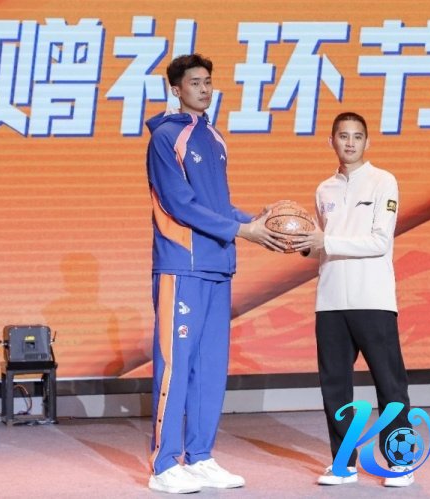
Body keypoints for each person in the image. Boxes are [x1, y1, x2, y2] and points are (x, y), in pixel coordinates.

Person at [144, 53, 285, 494]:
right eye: (195, 82)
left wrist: (254, 223)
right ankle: (164, 464)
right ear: (176, 89)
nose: (204, 89)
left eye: (208, 81)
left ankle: (200, 456)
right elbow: (180, 204)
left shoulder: (215, 137)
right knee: (175, 365)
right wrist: (242, 230)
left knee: (209, 368)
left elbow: (217, 206)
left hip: (217, 265)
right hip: (182, 264)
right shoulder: (167, 137)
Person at [291, 112, 414, 488]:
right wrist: (299, 242)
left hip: (373, 298)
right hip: (330, 301)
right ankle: (343, 462)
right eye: (343, 136)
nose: (349, 142)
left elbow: (379, 241)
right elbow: (323, 246)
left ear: (367, 142)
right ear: (331, 141)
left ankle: (401, 462)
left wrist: (324, 242)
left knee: (389, 384)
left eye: (357, 136)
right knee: (335, 387)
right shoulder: (324, 190)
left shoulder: (383, 181)